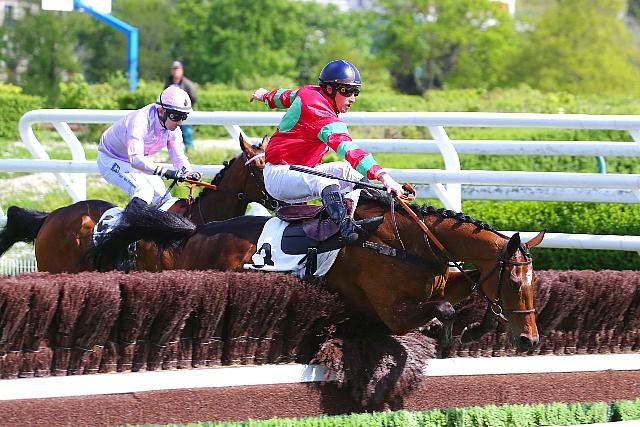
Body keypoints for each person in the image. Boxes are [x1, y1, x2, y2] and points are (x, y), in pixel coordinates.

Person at [250, 59, 404, 243]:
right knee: (326, 181)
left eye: (356, 92)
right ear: (329, 89)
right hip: (280, 176)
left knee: (350, 172)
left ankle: (373, 214)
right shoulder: (320, 112)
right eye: (347, 91)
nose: (353, 98)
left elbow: (285, 96)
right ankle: (347, 230)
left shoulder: (309, 92)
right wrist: (383, 176)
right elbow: (348, 149)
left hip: (302, 172)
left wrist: (264, 95)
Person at [97, 85, 201, 211]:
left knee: (165, 199)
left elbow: (178, 158)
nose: (179, 122)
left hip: (137, 159)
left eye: (183, 117)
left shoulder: (173, 130)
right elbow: (136, 160)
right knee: (144, 190)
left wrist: (188, 172)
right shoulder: (139, 121)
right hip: (111, 158)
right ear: (161, 111)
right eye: (176, 116)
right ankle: (123, 223)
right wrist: (167, 172)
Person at [164, 60, 197, 151]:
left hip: (184, 113)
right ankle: (173, 153)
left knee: (187, 133)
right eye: (174, 69)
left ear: (182, 70)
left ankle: (190, 152)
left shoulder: (188, 84)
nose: (175, 71)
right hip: (171, 114)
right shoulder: (168, 82)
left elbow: (193, 98)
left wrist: (185, 107)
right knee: (172, 136)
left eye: (177, 69)